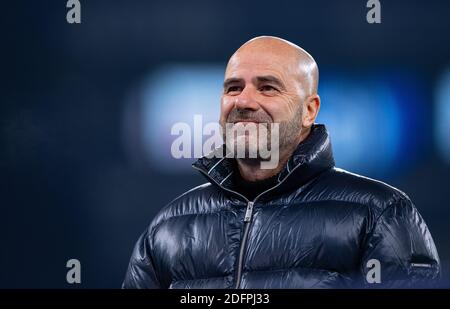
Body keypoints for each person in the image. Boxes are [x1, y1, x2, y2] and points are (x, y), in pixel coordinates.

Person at [122, 36, 440, 288]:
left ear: (309, 110)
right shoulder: (168, 227)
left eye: (268, 88)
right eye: (234, 88)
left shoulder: (379, 214)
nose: (244, 101)